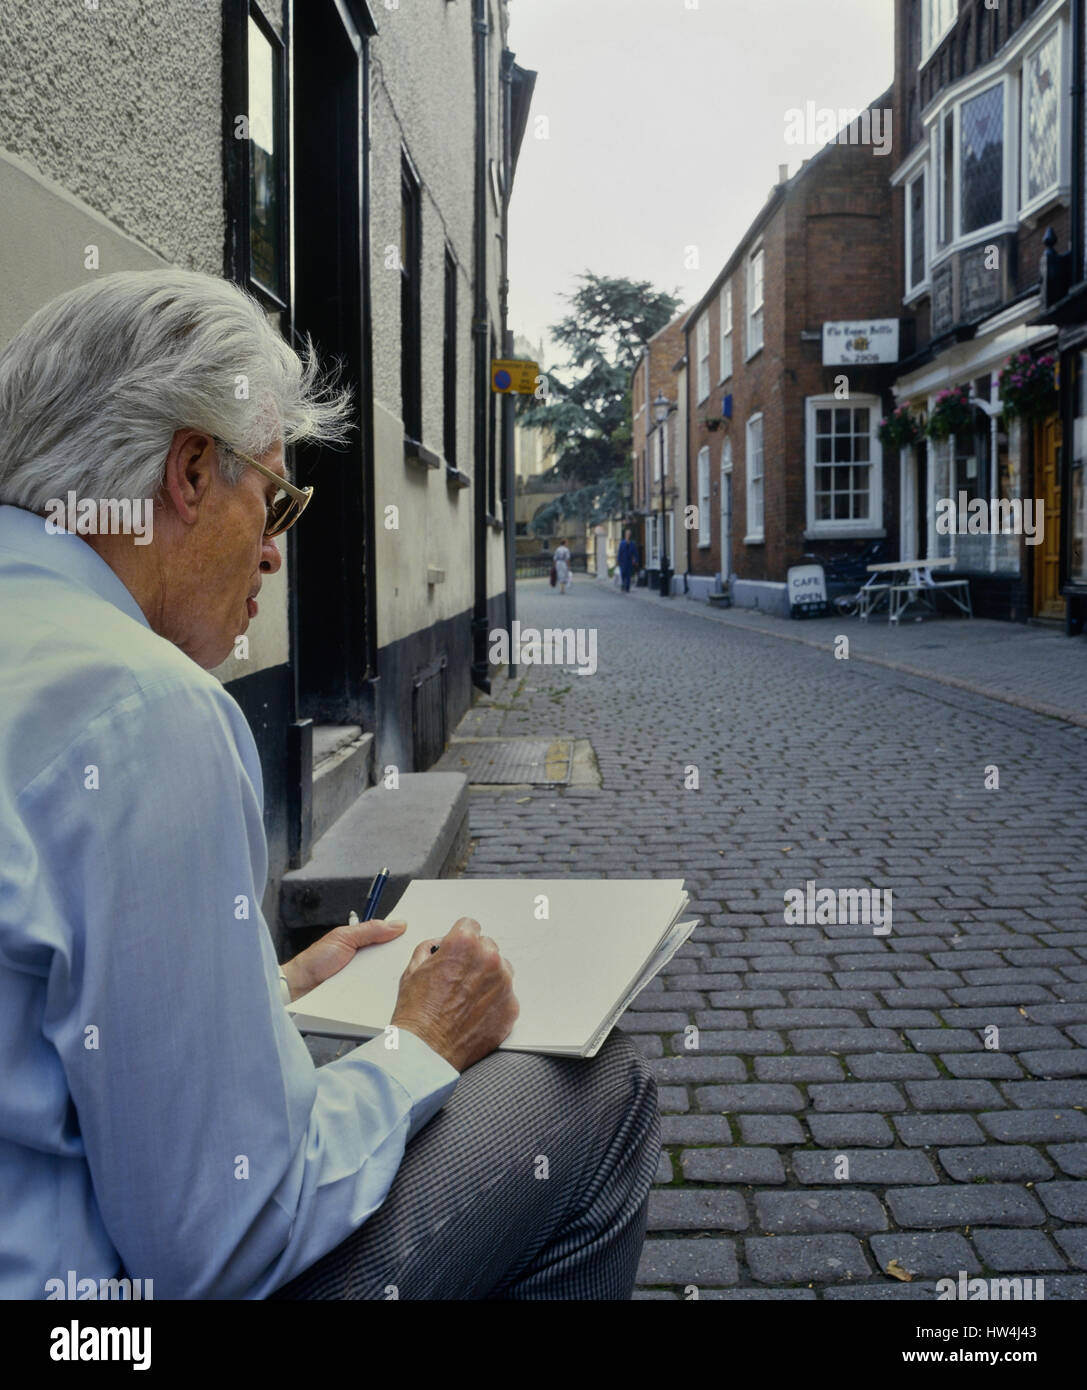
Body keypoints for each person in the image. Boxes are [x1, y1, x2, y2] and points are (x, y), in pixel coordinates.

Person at [0, 269, 659, 1300]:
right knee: (596, 1087)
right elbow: (223, 1243)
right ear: (188, 472)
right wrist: (419, 1044)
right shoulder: (142, 708)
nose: (270, 554)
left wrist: (262, 990)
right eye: (273, 498)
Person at [617, 528, 640, 593]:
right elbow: (620, 552)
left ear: (630, 535)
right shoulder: (622, 543)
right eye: (627, 534)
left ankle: (627, 588)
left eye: (629, 534)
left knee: (628, 575)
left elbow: (635, 553)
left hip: (629, 562)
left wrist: (636, 561)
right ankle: (623, 586)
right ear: (625, 535)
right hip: (623, 562)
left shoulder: (632, 544)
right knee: (623, 575)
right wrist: (618, 561)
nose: (628, 535)